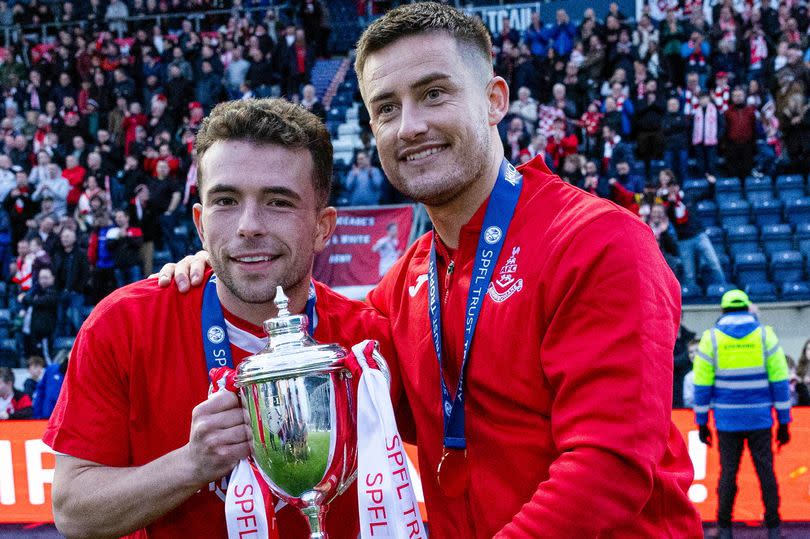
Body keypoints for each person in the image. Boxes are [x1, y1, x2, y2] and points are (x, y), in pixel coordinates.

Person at [164, 4, 702, 536]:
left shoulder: (595, 242)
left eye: (433, 94)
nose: (411, 126)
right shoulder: (405, 285)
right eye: (387, 108)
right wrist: (232, 259)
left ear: (494, 101)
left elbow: (607, 468)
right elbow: (322, 349)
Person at [43, 99, 394, 538]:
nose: (249, 225)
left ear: (324, 226)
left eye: (278, 202)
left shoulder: (370, 341)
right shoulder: (123, 325)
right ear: (200, 223)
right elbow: (73, 512)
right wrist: (191, 464)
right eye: (226, 200)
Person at [692, 290, 791, 539]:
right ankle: (774, 529)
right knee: (766, 472)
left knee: (728, 474)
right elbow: (780, 381)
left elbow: (701, 386)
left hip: (727, 420)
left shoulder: (711, 339)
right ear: (747, 308)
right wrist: (784, 421)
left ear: (723, 310)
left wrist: (702, 423)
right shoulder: (765, 336)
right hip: (760, 419)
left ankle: (724, 530)